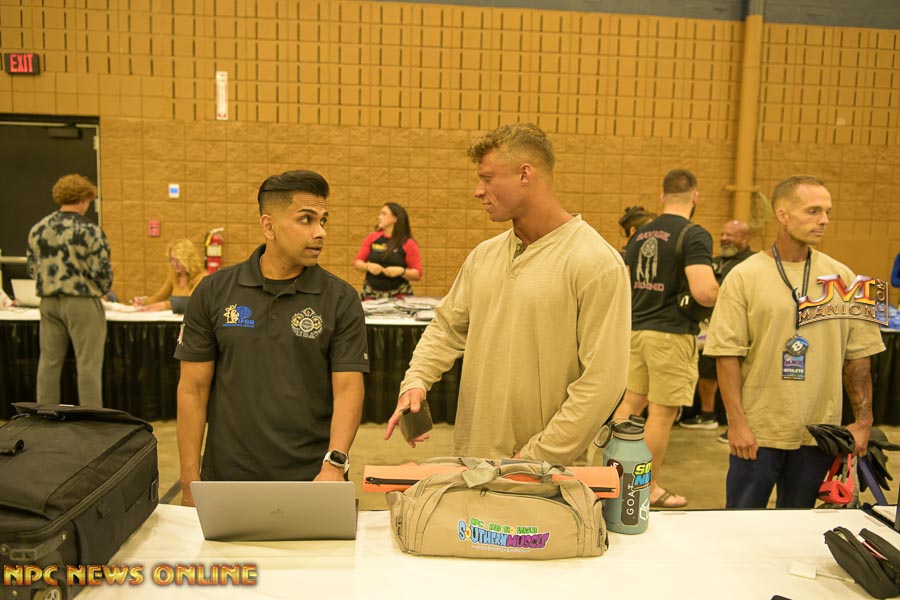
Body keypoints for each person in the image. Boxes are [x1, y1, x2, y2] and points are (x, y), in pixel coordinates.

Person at [383, 123, 630, 465]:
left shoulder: (596, 262)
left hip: (543, 473)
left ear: (525, 174)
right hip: (472, 462)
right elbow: (446, 328)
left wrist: (538, 455)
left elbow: (602, 382)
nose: (478, 191)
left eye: (487, 178)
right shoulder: (484, 255)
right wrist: (416, 381)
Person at [175, 170, 369, 507]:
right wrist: (189, 478)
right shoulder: (214, 291)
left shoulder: (341, 298)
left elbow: (348, 389)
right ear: (269, 226)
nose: (320, 232)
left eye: (323, 220)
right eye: (306, 220)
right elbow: (193, 389)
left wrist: (334, 466)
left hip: (313, 479)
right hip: (227, 479)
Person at [704, 176, 885, 509]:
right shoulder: (742, 277)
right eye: (813, 211)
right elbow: (727, 355)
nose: (824, 220)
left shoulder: (846, 278)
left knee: (799, 526)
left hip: (819, 435)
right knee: (740, 524)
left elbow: (859, 356)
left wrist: (863, 423)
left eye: (827, 212)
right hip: (758, 432)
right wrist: (737, 423)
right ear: (783, 215)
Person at [613, 169, 718, 509]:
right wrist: (727, 293)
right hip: (670, 334)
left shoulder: (640, 234)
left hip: (636, 330)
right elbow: (704, 292)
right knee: (661, 413)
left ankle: (611, 478)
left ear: (662, 197)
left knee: (631, 404)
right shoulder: (694, 234)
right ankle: (647, 488)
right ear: (695, 197)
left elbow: (624, 284)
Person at [26, 174, 112, 407]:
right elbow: (102, 270)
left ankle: (44, 414)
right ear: (84, 199)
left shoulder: (38, 229)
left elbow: (32, 268)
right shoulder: (90, 231)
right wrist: (102, 290)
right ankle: (90, 417)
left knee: (49, 361)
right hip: (82, 300)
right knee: (88, 363)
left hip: (48, 301)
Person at [680, 220, 754, 430]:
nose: (723, 238)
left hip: (742, 327)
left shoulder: (752, 263)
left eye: (730, 235)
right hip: (710, 327)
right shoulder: (713, 262)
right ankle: (707, 415)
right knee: (707, 370)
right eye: (722, 234)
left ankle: (739, 423)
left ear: (744, 238)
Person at [352, 203, 422, 299]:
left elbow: (417, 274)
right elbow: (357, 263)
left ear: (395, 218)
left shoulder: (408, 243)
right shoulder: (372, 238)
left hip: (399, 294)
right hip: (371, 293)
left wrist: (401, 271)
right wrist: (367, 266)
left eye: (384, 214)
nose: (379, 217)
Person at [131, 239, 206, 311]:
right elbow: (160, 297)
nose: (174, 264)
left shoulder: (202, 277)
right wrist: (143, 302)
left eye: (178, 261)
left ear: (188, 260)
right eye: (172, 260)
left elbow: (189, 301)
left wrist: (165, 305)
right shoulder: (175, 276)